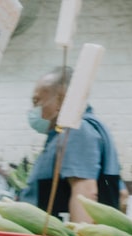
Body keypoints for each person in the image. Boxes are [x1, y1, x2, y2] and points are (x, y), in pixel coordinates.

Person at [19, 66, 122, 223]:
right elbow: (123, 194)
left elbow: (85, 193)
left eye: (37, 101)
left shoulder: (77, 130)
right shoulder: (66, 133)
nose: (34, 110)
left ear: (61, 98)